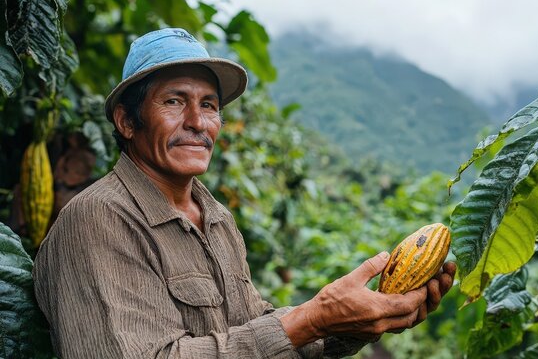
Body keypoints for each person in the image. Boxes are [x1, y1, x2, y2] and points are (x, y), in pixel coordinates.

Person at [32, 28, 456, 358]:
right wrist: (313, 317)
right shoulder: (97, 219)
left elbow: (256, 331)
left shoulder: (215, 217)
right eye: (175, 102)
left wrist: (354, 320)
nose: (198, 122)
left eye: (210, 105)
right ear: (127, 121)